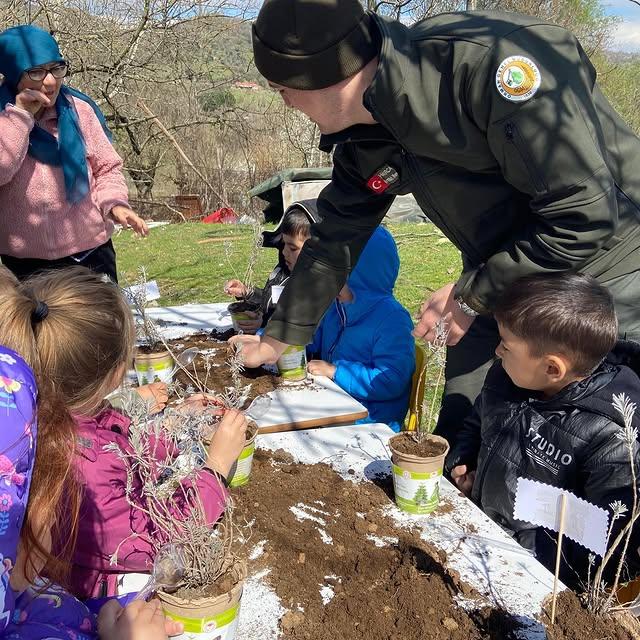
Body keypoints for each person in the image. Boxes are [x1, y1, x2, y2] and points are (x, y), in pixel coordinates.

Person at [239, 0, 640, 449]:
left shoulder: (487, 67)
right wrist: (278, 338)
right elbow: (333, 239)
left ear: (321, 74)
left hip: (607, 275)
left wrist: (474, 296)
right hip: (501, 275)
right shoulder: (365, 134)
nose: (287, 102)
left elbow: (585, 214)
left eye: (283, 89)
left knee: (580, 447)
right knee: (462, 435)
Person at [0, 266, 248, 599]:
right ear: (117, 373)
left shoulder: (59, 418)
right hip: (94, 594)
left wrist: (173, 428)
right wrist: (216, 469)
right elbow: (156, 538)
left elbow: (119, 445)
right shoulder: (84, 464)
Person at [445, 273, 640, 588]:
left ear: (552, 368)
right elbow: (478, 419)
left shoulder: (611, 437)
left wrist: (522, 547)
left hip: (531, 576)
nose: (496, 352)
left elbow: (612, 545)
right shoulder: (507, 377)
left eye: (506, 345)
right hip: (473, 531)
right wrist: (462, 462)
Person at [0, 345, 181, 640]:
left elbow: (58, 610)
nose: (57, 518)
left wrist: (120, 609)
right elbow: (152, 538)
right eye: (47, 504)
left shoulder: (18, 594)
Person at [0, 25, 148, 282]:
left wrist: (115, 205)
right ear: (13, 73)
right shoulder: (4, 116)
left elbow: (106, 168)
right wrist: (21, 115)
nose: (50, 81)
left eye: (56, 68)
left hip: (89, 255)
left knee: (102, 323)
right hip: (24, 266)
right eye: (36, 71)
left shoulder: (79, 111)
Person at [307, 226, 414, 431]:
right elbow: (312, 338)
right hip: (336, 402)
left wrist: (335, 371)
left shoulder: (392, 319)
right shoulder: (338, 307)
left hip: (370, 421)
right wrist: (276, 340)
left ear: (360, 275)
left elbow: (391, 380)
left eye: (335, 273)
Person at [223, 201, 317, 332]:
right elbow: (272, 301)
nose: (284, 251)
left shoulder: (315, 285)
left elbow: (303, 327)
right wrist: (248, 293)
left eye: (293, 248)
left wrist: (265, 325)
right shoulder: (283, 270)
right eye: (283, 244)